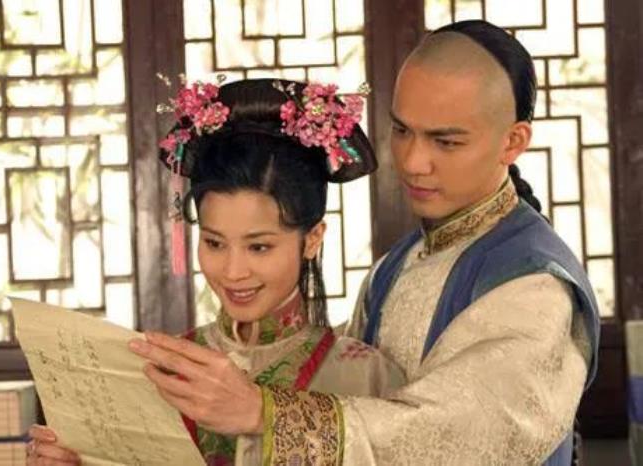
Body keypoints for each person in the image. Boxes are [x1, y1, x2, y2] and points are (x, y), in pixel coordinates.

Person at [97, 20, 600, 466]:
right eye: (401, 130)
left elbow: (465, 435)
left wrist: (264, 413)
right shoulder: (399, 264)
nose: (412, 161)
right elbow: (333, 370)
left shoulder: (533, 284)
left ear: (513, 141)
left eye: (445, 141)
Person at [25, 78, 405, 465]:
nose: (233, 272)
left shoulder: (366, 376)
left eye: (259, 246)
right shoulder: (158, 372)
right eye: (214, 243)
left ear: (312, 239)